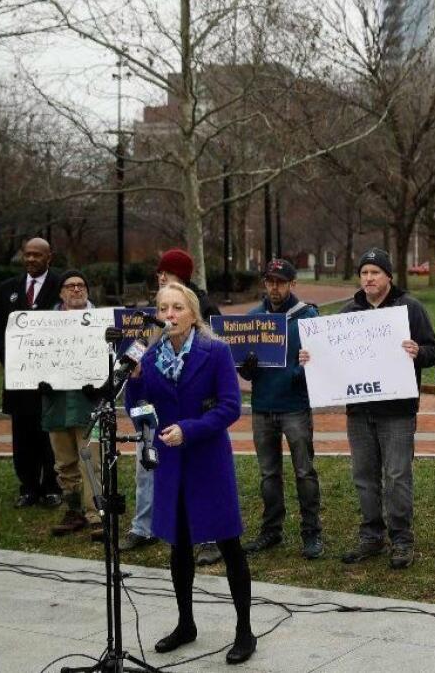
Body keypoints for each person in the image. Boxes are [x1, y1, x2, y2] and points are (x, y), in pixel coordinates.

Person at [124, 282, 255, 665]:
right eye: (163, 307)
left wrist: (190, 429)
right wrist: (132, 382)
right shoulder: (148, 358)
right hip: (171, 463)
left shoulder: (215, 352)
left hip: (208, 460)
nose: (169, 314)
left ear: (192, 313)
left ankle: (244, 631)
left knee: (230, 544)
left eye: (177, 307)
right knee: (179, 545)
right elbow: (139, 409)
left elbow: (231, 407)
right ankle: (186, 624)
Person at [299, 248, 435, 570]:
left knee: (397, 475)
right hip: (359, 410)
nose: (369, 278)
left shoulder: (410, 308)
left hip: (398, 409)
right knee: (364, 476)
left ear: (389, 276)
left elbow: (434, 351)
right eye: (364, 273)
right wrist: (312, 358)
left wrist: (418, 351)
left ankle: (401, 538)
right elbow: (330, 354)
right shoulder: (349, 312)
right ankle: (371, 535)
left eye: (375, 272)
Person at [121, 248, 219, 554]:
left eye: (168, 272)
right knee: (145, 467)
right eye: (164, 308)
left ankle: (207, 537)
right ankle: (144, 526)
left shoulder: (204, 313)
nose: (161, 276)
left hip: (192, 413)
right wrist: (134, 377)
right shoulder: (151, 319)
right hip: (155, 408)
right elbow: (141, 359)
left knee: (198, 476)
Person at [238, 259, 324, 560]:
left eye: (281, 281)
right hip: (262, 406)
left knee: (304, 471)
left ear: (292, 284)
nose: (275, 287)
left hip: (295, 406)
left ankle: (311, 532)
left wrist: (302, 370)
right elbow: (246, 373)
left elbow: (320, 361)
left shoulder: (307, 316)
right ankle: (271, 530)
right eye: (270, 281)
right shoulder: (253, 318)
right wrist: (245, 367)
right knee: (268, 474)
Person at [0, 237, 64, 508]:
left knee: (50, 435)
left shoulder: (61, 286)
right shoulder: (7, 289)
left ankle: (52, 488)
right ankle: (28, 488)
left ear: (50, 258)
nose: (31, 259)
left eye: (37, 255)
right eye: (27, 254)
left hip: (51, 380)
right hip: (19, 380)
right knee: (23, 436)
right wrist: (8, 361)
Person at [42, 270, 103, 539]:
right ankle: (73, 510)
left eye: (81, 285)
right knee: (64, 461)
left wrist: (102, 383)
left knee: (92, 460)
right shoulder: (42, 323)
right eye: (70, 286)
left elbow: (115, 357)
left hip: (91, 404)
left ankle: (96, 513)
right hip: (56, 402)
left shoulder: (102, 321)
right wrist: (38, 377)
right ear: (61, 292)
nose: (76, 289)